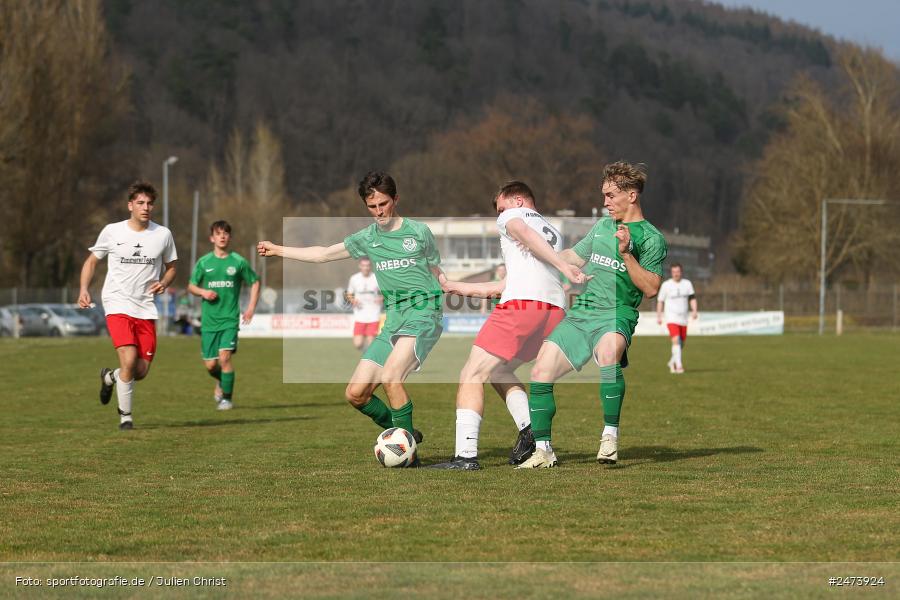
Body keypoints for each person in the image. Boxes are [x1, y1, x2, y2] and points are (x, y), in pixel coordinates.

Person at [257, 171, 444, 460]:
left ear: (395, 199)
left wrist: (470, 290)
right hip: (394, 320)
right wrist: (277, 249)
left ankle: (409, 455)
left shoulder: (419, 232)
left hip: (423, 314)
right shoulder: (367, 238)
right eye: (372, 206)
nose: (379, 212)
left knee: (392, 377)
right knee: (356, 394)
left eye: (384, 204)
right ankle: (404, 433)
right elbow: (322, 254)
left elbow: (437, 273)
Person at [517, 161, 667, 468]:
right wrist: (542, 257)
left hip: (617, 312)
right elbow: (574, 256)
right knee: (539, 371)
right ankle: (543, 452)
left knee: (609, 353)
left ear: (632, 196)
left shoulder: (652, 238)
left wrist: (626, 254)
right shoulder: (602, 227)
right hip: (583, 312)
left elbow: (651, 288)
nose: (605, 202)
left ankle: (609, 437)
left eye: (611, 195)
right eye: (604, 195)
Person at [429, 182, 588, 470]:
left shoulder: (514, 218)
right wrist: (453, 286)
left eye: (501, 208)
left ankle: (465, 457)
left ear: (517, 200)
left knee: (471, 373)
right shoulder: (551, 230)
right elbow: (505, 284)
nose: (498, 215)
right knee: (498, 370)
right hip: (552, 311)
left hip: (522, 307)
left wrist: (564, 267)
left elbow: (522, 233)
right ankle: (530, 428)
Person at [78, 180, 178, 430]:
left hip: (145, 308)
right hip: (117, 302)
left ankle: (109, 377)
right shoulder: (113, 231)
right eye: (141, 203)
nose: (146, 207)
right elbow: (92, 262)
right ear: (130, 205)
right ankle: (126, 417)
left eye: (150, 203)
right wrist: (83, 289)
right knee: (130, 358)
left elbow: (172, 267)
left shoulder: (163, 234)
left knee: (140, 371)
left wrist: (164, 282)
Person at [188, 220, 261, 410]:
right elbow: (191, 285)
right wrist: (203, 292)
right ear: (212, 237)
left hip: (229, 319)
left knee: (225, 357)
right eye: (218, 233)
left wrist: (251, 307)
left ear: (229, 237)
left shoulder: (238, 261)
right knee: (211, 365)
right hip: (209, 321)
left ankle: (226, 398)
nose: (222, 236)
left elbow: (254, 281)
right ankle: (222, 380)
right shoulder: (204, 262)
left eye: (226, 233)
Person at [656, 263, 698, 374]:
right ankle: (679, 366)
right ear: (671, 273)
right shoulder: (666, 285)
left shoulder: (687, 284)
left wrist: (694, 310)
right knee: (676, 340)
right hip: (671, 318)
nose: (676, 274)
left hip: (683, 319)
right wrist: (659, 315)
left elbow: (692, 298)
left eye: (678, 271)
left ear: (681, 272)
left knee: (681, 343)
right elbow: (660, 300)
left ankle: (672, 361)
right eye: (674, 272)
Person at [346, 257, 382, 351]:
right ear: (360, 266)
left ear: (371, 266)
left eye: (368, 265)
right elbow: (349, 293)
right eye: (363, 265)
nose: (366, 268)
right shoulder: (354, 278)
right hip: (360, 315)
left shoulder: (377, 277)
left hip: (374, 315)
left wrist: (381, 298)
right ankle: (366, 353)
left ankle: (369, 358)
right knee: (358, 344)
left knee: (371, 344)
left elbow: (386, 292)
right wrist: (353, 300)